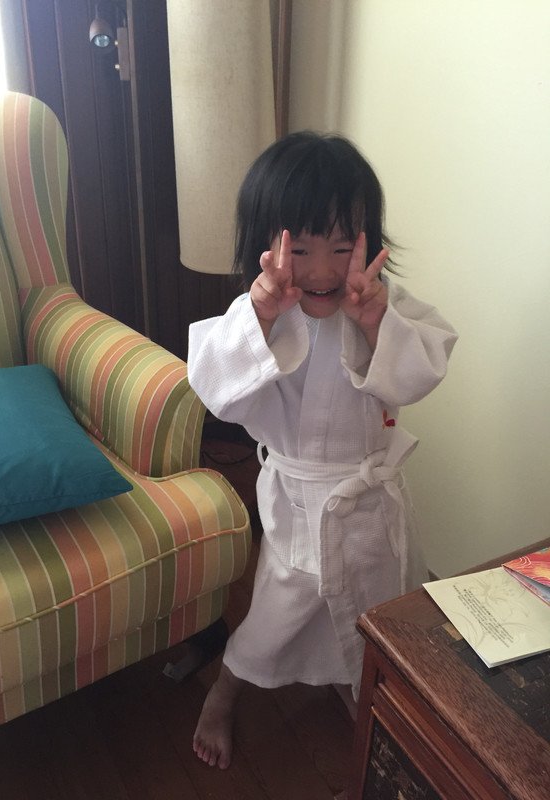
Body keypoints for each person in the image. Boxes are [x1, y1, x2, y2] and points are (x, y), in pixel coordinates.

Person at [187, 131, 458, 771]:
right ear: (265, 246)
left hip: (371, 506)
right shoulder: (260, 314)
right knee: (276, 616)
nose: (321, 270)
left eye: (342, 247)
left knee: (375, 612)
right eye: (301, 249)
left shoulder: (386, 307)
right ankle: (225, 691)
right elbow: (214, 385)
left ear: (370, 242)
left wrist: (376, 323)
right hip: (300, 504)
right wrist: (259, 313)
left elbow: (424, 368)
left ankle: (355, 684)